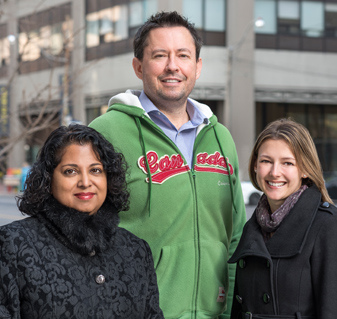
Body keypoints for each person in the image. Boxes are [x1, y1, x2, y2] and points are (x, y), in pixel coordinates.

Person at [89, 11, 246, 319]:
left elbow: (236, 235)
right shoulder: (105, 133)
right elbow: (81, 232)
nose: (173, 66)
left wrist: (230, 310)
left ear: (197, 67)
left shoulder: (220, 138)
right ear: (138, 66)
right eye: (159, 55)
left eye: (183, 55)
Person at [0, 125, 163, 319]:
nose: (85, 182)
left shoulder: (136, 250)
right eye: (70, 171)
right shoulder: (13, 244)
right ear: (49, 179)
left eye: (95, 170)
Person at [229, 118, 337, 319]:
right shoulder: (252, 228)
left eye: (287, 163)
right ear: (254, 166)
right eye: (266, 161)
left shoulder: (327, 225)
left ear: (305, 169)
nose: (274, 172)